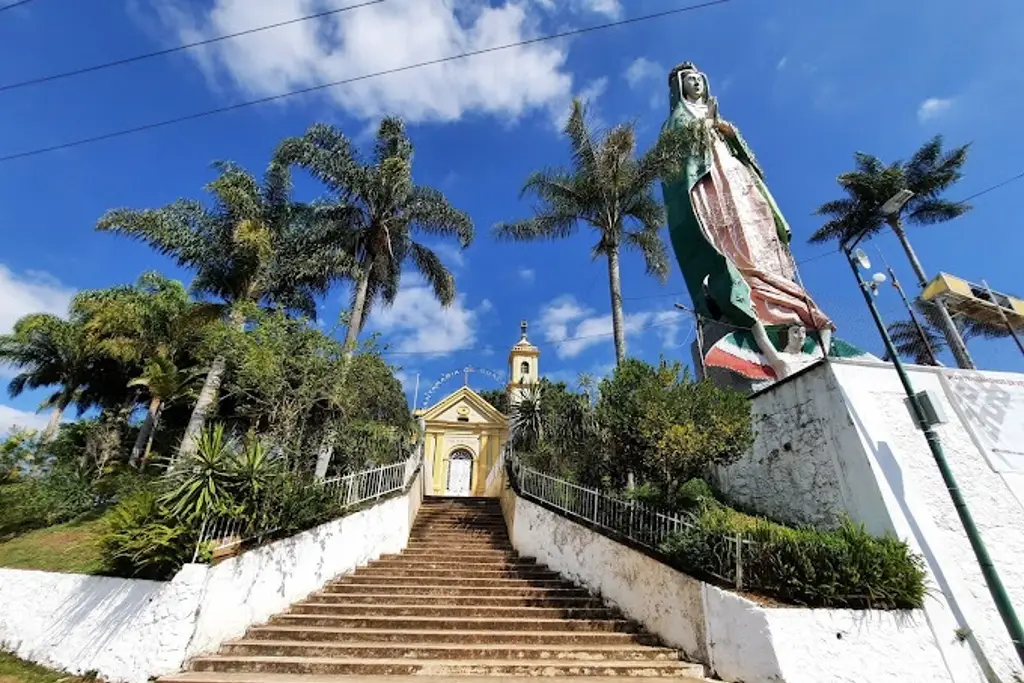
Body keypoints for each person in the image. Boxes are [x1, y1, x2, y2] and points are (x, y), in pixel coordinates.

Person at [661, 62, 834, 378]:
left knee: (755, 227)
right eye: (690, 80)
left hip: (736, 178)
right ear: (679, 88)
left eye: (700, 78)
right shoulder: (677, 122)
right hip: (709, 181)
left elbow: (746, 157)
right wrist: (704, 126)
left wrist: (725, 131)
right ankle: (748, 295)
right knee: (727, 235)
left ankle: (783, 301)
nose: (696, 82)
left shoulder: (721, 121)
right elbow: (677, 158)